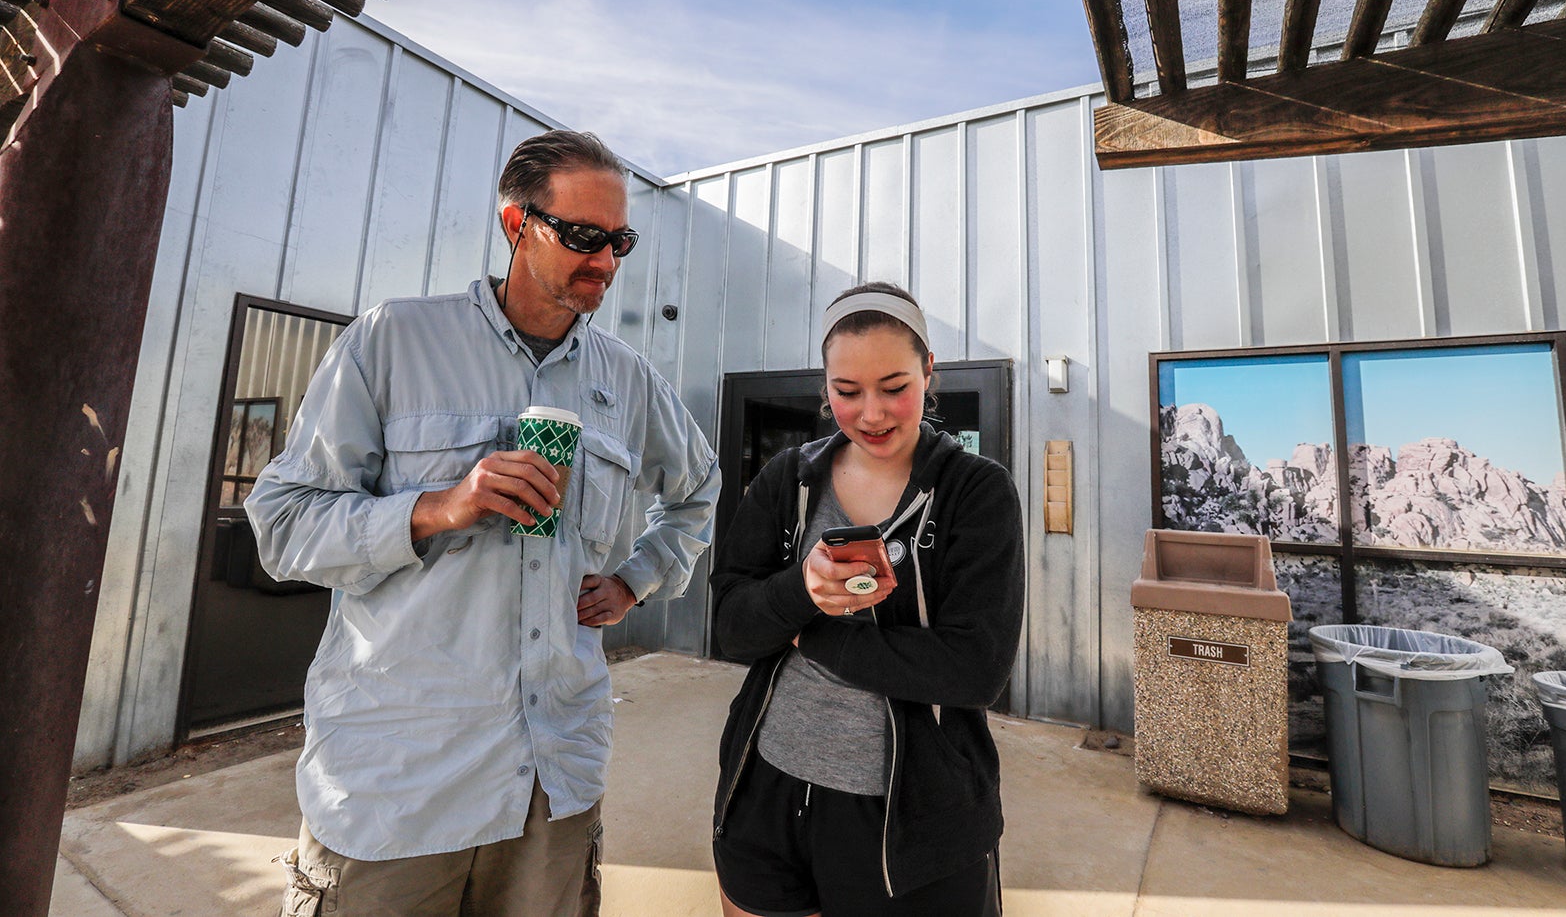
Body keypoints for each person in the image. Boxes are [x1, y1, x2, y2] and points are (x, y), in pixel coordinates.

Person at [247, 129, 720, 917]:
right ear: (515, 225)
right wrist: (439, 507)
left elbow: (697, 489)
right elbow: (283, 521)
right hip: (397, 786)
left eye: (620, 241)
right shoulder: (393, 339)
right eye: (582, 237)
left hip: (552, 786)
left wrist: (638, 579)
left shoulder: (627, 380)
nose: (604, 261)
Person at [710, 282, 1025, 917]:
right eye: (847, 392)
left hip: (916, 820)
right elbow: (732, 627)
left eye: (894, 386)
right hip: (766, 790)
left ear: (929, 371)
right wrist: (802, 587)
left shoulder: (977, 492)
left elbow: (974, 670)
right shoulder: (791, 479)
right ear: (824, 386)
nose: (873, 413)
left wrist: (809, 630)